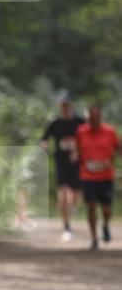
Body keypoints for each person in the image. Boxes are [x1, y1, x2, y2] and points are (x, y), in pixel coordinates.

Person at [72, 103, 120, 250]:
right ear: (87, 118)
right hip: (87, 175)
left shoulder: (110, 132)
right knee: (91, 205)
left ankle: (105, 225)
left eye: (96, 117)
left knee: (106, 208)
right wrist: (75, 156)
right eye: (90, 118)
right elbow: (77, 149)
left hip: (106, 176)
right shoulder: (81, 131)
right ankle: (94, 238)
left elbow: (118, 148)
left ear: (100, 117)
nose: (93, 121)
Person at [39, 91, 84, 241]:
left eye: (66, 104)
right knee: (63, 193)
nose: (64, 107)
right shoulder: (55, 123)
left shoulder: (79, 122)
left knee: (75, 195)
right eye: (62, 105)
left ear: (70, 105)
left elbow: (88, 138)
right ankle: (66, 226)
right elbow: (44, 138)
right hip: (61, 161)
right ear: (59, 106)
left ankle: (72, 209)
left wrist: (79, 151)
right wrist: (44, 146)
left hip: (77, 162)